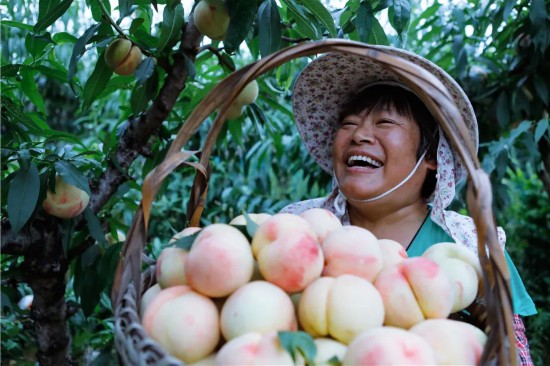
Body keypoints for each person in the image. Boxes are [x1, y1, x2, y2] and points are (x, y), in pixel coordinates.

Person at [281, 47, 536, 365]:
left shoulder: (471, 246)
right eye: (348, 124)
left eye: (385, 122)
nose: (360, 134)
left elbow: (515, 351)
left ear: (431, 156)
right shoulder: (298, 228)